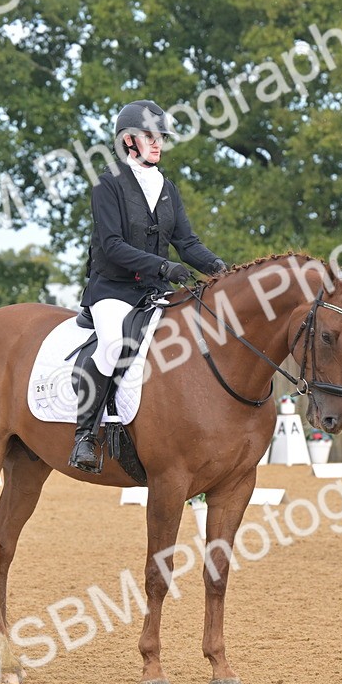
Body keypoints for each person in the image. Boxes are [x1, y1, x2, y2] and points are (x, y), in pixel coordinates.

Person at [69, 99, 227, 473]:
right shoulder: (107, 184)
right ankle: (86, 436)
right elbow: (111, 245)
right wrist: (162, 265)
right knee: (112, 346)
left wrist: (219, 267)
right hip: (112, 290)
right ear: (128, 142)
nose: (158, 144)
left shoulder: (166, 186)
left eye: (161, 138)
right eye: (150, 137)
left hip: (154, 292)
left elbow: (186, 242)